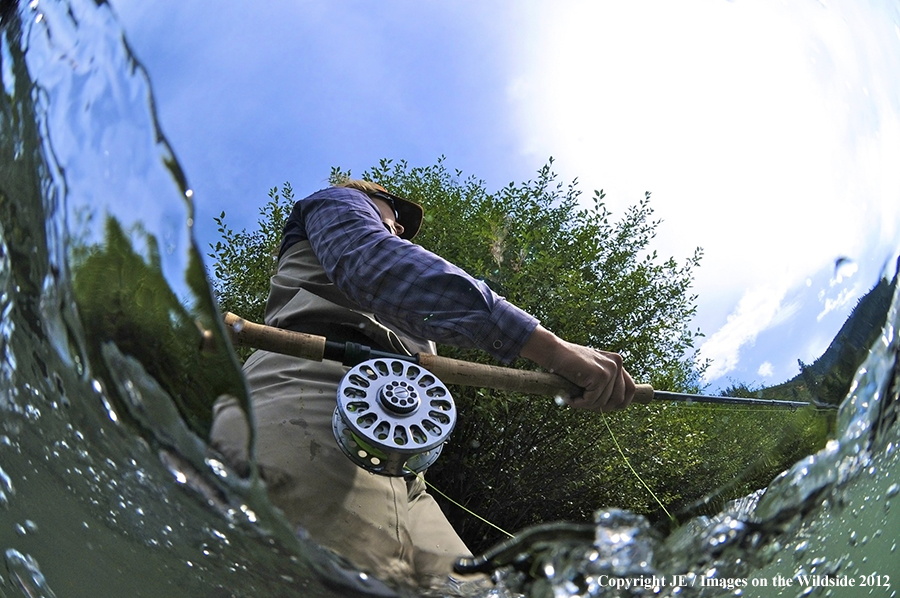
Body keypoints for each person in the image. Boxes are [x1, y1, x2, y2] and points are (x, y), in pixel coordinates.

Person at [210, 179, 636, 590]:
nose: (396, 226)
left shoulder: (393, 270)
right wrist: (552, 348)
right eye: (392, 210)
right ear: (364, 193)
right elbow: (376, 265)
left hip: (405, 467)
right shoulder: (336, 200)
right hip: (310, 396)